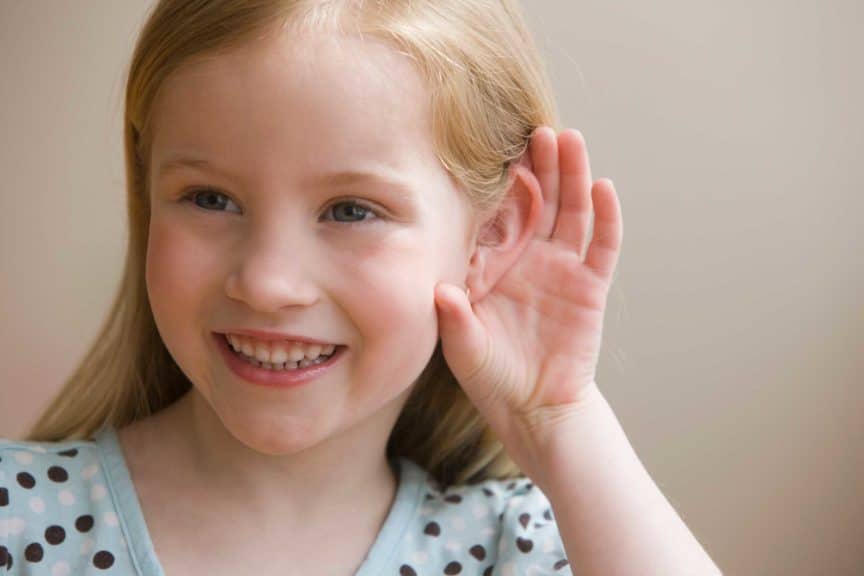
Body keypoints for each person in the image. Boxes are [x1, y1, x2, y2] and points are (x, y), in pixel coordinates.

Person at [0, 1, 722, 574]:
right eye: (210, 199)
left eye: (351, 211)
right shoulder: (16, 513)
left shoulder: (519, 547)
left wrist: (557, 420)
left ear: (494, 233)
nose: (267, 282)